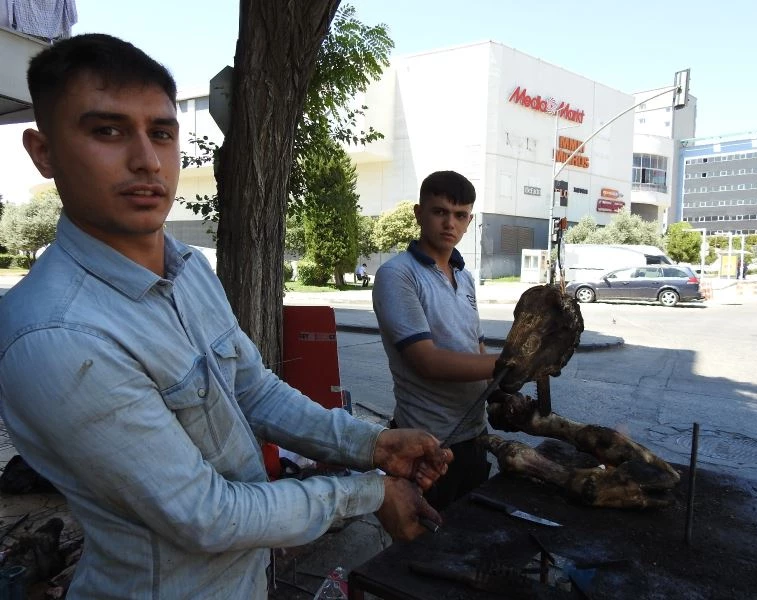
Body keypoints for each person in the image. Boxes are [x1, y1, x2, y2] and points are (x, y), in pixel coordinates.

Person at [0, 34, 452, 598]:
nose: (147, 160)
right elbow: (206, 515)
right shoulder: (56, 336)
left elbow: (253, 389)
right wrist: (368, 493)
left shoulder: (187, 266)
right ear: (43, 152)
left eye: (161, 133)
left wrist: (371, 445)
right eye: (107, 131)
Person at [372, 171, 501, 511]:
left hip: (475, 436)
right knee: (425, 538)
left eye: (460, 215)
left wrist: (501, 387)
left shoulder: (465, 277)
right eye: (440, 211)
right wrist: (511, 363)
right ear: (419, 213)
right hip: (425, 447)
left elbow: (476, 347)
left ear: (469, 221)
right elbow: (426, 361)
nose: (450, 223)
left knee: (473, 533)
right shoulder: (397, 274)